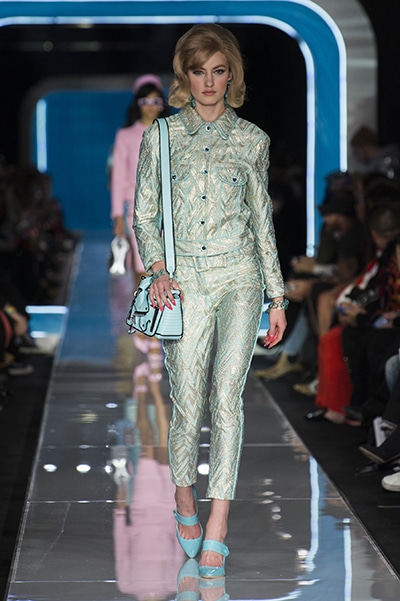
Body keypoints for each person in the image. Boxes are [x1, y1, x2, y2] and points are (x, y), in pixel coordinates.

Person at [133, 23, 287, 578]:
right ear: (185, 74)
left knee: (227, 400)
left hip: (241, 276)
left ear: (231, 75)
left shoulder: (252, 140)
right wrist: (157, 269)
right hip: (185, 282)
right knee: (188, 399)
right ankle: (183, 496)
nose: (209, 81)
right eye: (199, 71)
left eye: (219, 71)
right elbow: (144, 213)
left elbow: (262, 222)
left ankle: (218, 524)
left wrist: (276, 295)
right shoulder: (162, 135)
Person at [110, 74, 170, 284]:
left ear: (162, 103)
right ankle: (143, 306)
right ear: (138, 104)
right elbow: (118, 177)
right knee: (143, 267)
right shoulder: (125, 135)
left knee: (169, 268)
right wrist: (118, 216)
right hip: (138, 210)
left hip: (170, 209)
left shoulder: (172, 132)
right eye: (145, 101)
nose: (150, 106)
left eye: (155, 101)